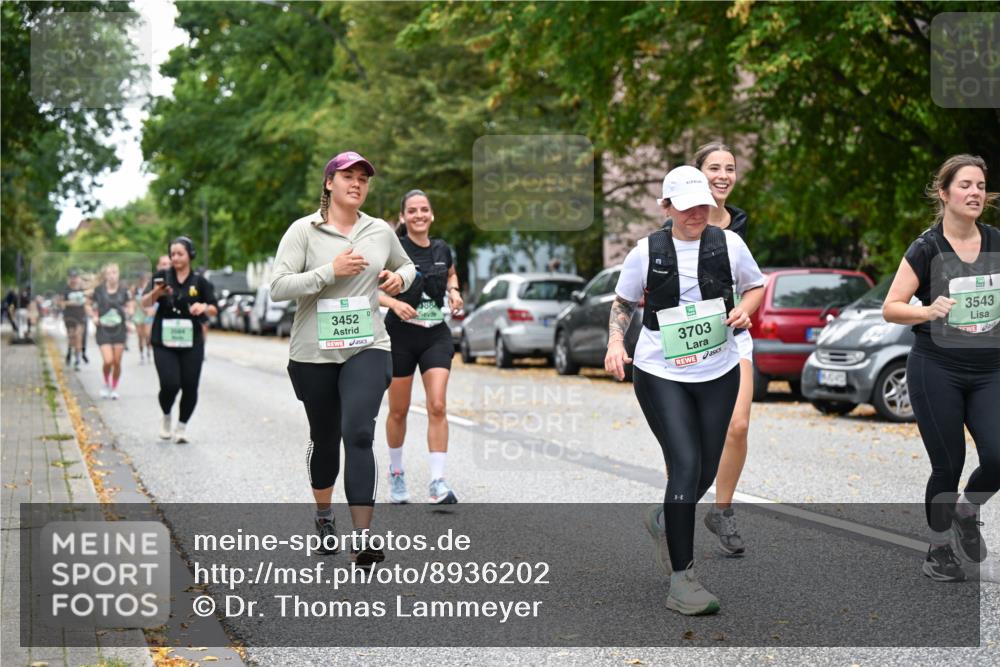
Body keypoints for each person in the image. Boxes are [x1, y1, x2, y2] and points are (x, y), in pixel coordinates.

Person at [605, 165, 764, 615]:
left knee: (706, 472)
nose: (696, 213)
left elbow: (754, 285)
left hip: (719, 368)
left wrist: (745, 311)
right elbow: (622, 302)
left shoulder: (730, 244)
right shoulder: (646, 250)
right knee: (685, 464)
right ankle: (682, 581)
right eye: (686, 205)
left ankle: (663, 519)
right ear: (666, 206)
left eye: (702, 205)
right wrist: (617, 343)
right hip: (661, 372)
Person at [270, 151, 415, 567]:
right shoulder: (303, 231)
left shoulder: (379, 231)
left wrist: (397, 278)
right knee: (326, 437)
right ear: (329, 183)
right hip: (313, 352)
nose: (356, 183)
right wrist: (329, 271)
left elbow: (407, 268)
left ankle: (364, 537)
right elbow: (278, 287)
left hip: (367, 346)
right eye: (348, 176)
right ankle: (323, 516)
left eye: (363, 178)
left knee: (358, 433)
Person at [882, 154, 1000, 582]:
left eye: (981, 185)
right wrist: (929, 310)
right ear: (944, 193)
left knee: (999, 455)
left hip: (991, 370)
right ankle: (938, 549)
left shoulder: (996, 241)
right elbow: (891, 308)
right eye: (965, 185)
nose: (975, 193)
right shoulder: (927, 247)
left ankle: (966, 512)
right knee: (948, 464)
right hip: (937, 368)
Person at [379, 189, 464, 504]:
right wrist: (393, 304)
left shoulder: (442, 248)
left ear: (432, 215)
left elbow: (451, 274)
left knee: (438, 405)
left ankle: (437, 482)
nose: (418, 215)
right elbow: (369, 288)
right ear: (403, 217)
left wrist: (454, 293)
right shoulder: (394, 250)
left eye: (424, 210)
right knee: (398, 410)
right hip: (400, 334)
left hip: (435, 334)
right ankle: (397, 473)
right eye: (412, 211)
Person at [694, 141, 754, 555]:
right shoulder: (678, 224)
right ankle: (676, 508)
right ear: (698, 174)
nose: (723, 175)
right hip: (689, 343)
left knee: (738, 425)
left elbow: (750, 282)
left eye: (729, 168)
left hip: (733, 337)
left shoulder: (741, 222)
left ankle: (722, 511)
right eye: (714, 168)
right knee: (692, 437)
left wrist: (746, 309)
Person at [141, 238, 217, 444]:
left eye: (180, 254)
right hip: (164, 340)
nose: (175, 258)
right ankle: (166, 415)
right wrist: (158, 291)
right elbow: (144, 302)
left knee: (190, 385)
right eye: (172, 254)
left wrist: (202, 307)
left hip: (191, 341)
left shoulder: (200, 282)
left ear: (190, 255)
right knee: (170, 383)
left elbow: (213, 308)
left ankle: (182, 426)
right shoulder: (161, 277)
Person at [89, 263, 133, 399]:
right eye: (109, 273)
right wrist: (94, 316)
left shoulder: (124, 290)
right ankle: (106, 383)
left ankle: (114, 388)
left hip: (120, 329)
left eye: (115, 272)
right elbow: (88, 305)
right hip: (103, 329)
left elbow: (130, 306)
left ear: (118, 274)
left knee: (117, 361)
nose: (112, 275)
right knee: (108, 361)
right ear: (105, 275)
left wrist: (129, 315)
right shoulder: (99, 290)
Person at [61, 270, 88, 370]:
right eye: (72, 277)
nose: (74, 279)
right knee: (71, 337)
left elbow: (87, 301)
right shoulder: (66, 290)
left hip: (80, 316)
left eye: (75, 277)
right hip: (69, 316)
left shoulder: (82, 289)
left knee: (78, 336)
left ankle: (77, 359)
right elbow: (62, 303)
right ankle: (69, 351)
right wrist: (73, 302)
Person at [132, 274, 153, 364]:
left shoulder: (151, 289)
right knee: (140, 336)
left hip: (148, 315)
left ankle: (148, 352)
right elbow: (133, 302)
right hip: (138, 315)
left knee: (148, 335)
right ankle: (141, 355)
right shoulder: (136, 289)